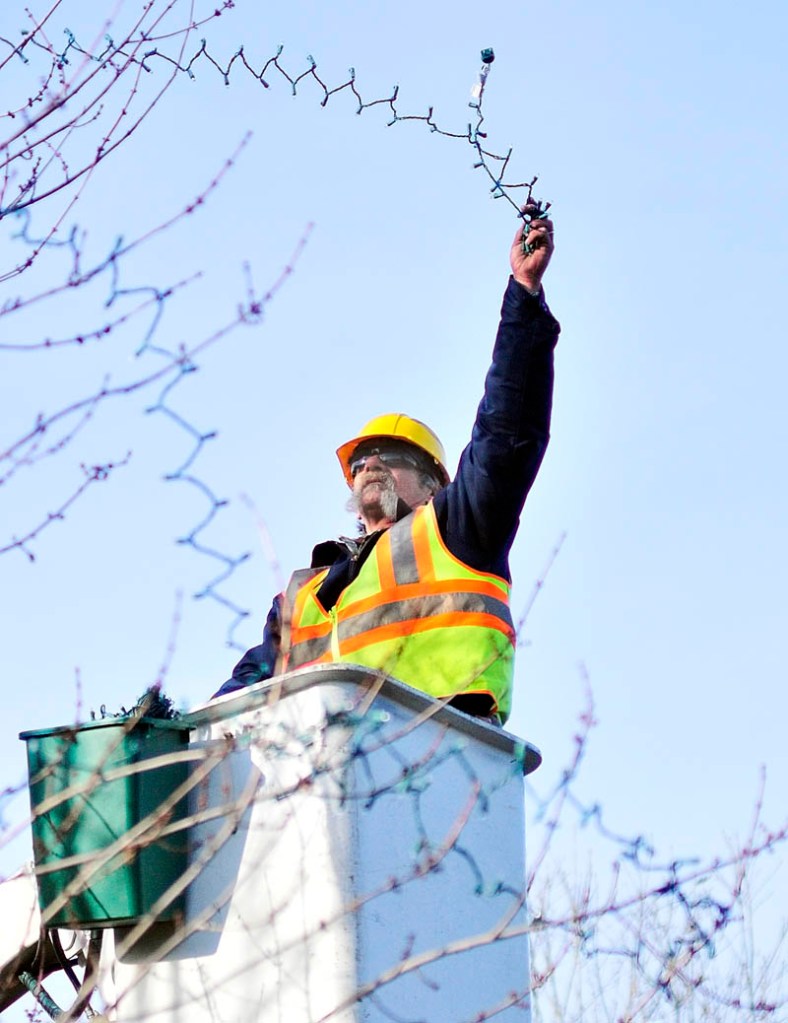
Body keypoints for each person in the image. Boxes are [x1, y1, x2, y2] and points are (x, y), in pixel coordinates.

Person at [214, 211, 559, 725]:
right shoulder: (303, 595)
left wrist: (523, 297)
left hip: (447, 752)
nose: (372, 464)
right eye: (361, 461)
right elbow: (237, 701)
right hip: (329, 781)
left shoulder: (457, 530)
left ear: (434, 484)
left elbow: (507, 431)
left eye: (394, 458)